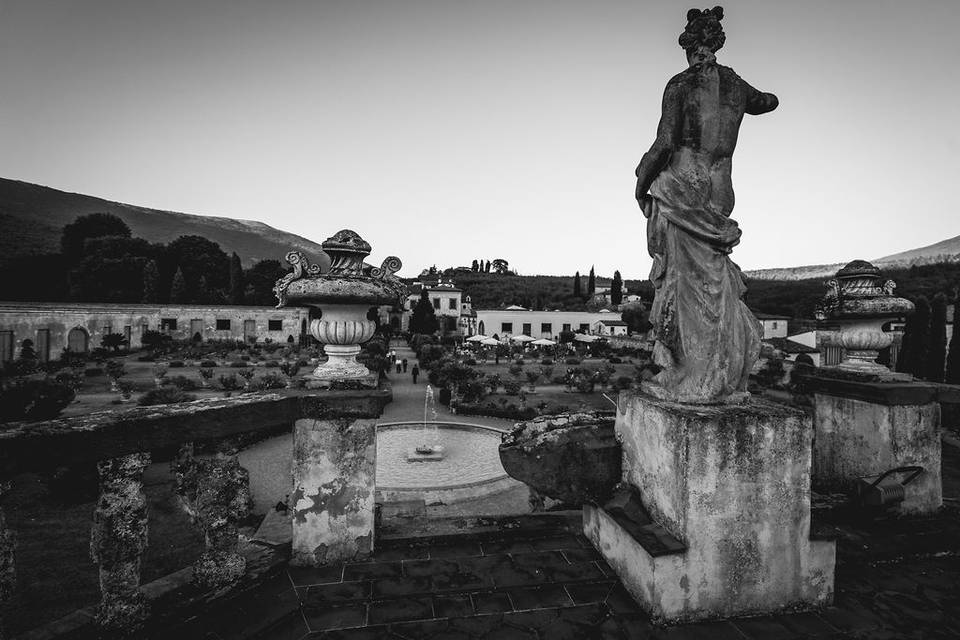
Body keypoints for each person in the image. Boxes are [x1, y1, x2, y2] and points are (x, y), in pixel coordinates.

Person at [634, 6, 777, 404]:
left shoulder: (680, 84)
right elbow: (768, 101)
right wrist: (752, 99)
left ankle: (690, 375)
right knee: (714, 281)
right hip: (719, 188)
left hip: (683, 182)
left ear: (688, 47)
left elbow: (665, 142)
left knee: (683, 286)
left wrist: (640, 180)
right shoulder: (736, 86)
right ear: (716, 44)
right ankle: (723, 373)